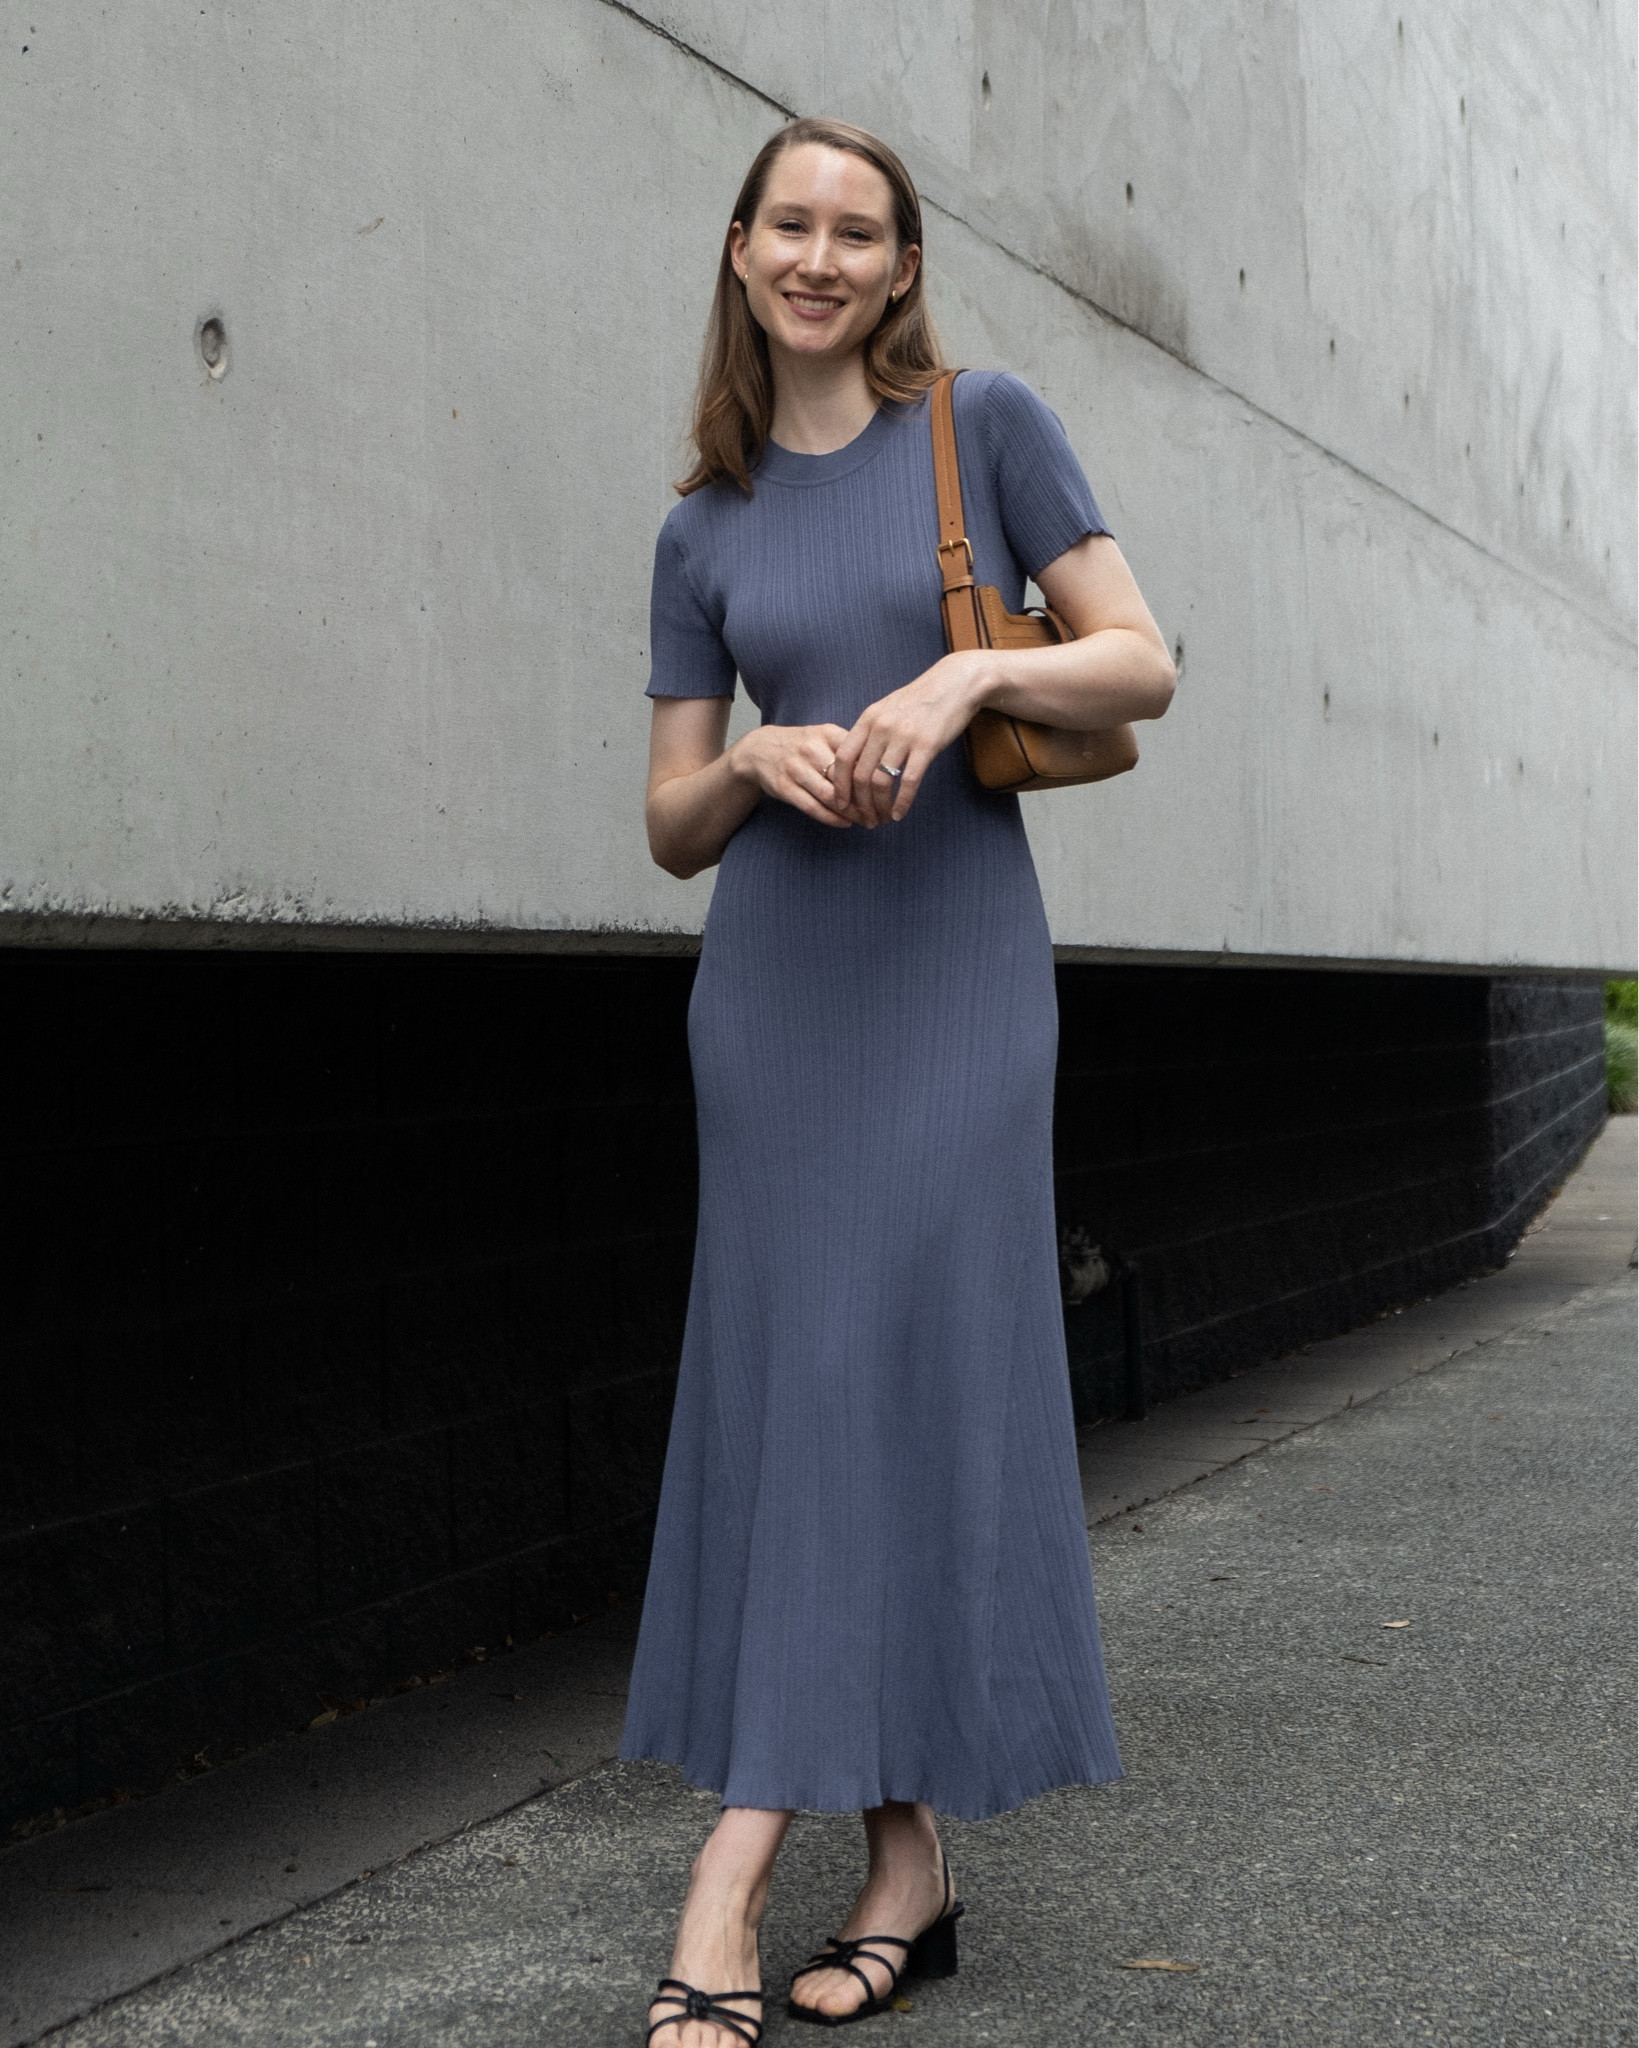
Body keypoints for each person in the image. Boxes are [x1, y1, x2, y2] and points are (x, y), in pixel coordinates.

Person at [622, 117, 1176, 2048]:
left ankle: (724, 1884)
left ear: (902, 265)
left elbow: (1143, 663)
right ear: (743, 245)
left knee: (886, 1379)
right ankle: (909, 1871)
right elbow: (670, 823)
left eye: (861, 231)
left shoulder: (987, 428)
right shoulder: (706, 519)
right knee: (807, 1390)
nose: (823, 257)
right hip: (775, 999)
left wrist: (962, 684)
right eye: (794, 222)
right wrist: (757, 766)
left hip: (952, 989)